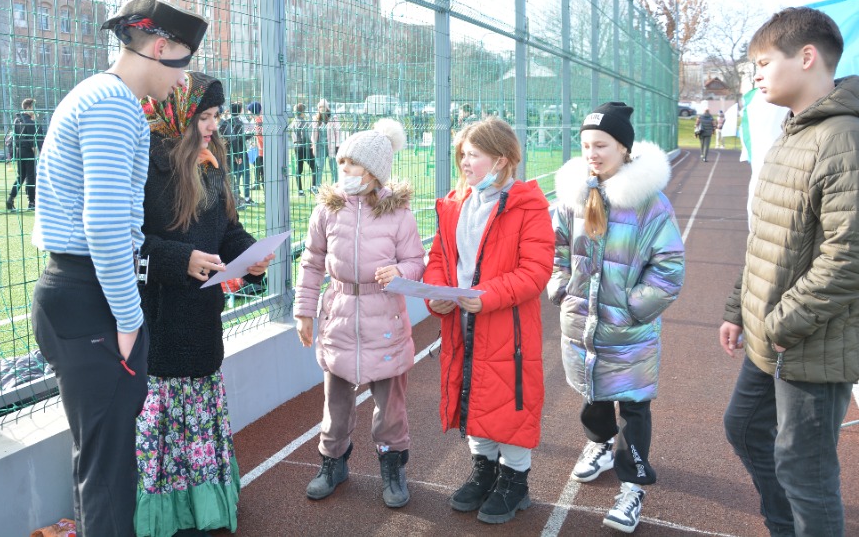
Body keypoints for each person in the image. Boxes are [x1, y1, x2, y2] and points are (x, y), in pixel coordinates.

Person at [30, 0, 208, 537]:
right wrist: (130, 320)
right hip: (91, 294)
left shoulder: (101, 96)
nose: (184, 82)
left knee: (102, 464)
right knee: (108, 475)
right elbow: (105, 225)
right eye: (183, 63)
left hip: (81, 290)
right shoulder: (113, 104)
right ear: (161, 48)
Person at [719, 7, 859, 537]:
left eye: (762, 63)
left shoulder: (843, 138)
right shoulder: (792, 132)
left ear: (806, 57)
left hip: (807, 341)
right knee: (746, 427)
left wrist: (782, 323)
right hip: (771, 331)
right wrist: (739, 308)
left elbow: (848, 256)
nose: (756, 75)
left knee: (807, 473)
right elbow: (766, 235)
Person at [136, 72, 273, 537]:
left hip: (201, 319)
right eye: (205, 116)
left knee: (199, 411)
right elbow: (127, 244)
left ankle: (203, 506)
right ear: (179, 114)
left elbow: (227, 230)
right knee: (165, 420)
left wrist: (251, 256)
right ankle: (166, 513)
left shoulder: (211, 163)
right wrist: (181, 260)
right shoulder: (146, 164)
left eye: (216, 115)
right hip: (159, 319)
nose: (213, 125)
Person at [547, 102, 685, 533]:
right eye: (586, 144)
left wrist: (632, 308)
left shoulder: (650, 204)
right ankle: (600, 445)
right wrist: (560, 285)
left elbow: (669, 267)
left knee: (634, 409)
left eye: (601, 145)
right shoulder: (572, 197)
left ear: (623, 148)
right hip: (581, 324)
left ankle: (633, 486)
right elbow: (556, 248)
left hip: (629, 330)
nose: (592, 153)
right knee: (592, 395)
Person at [422, 116, 555, 525]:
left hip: (506, 325)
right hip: (462, 322)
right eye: (462, 154)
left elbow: (536, 271)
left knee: (510, 401)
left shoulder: (528, 206)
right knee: (472, 394)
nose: (465, 162)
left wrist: (487, 297)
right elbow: (440, 258)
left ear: (501, 159)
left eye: (474, 155)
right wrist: (437, 295)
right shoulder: (454, 204)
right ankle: (484, 471)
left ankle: (515, 481)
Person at [294, 118, 425, 509]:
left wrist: (400, 272)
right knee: (335, 403)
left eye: (352, 163)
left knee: (390, 407)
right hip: (339, 317)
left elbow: (416, 261)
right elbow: (311, 261)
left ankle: (393, 465)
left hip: (385, 319)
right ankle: (332, 462)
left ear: (374, 171)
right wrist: (304, 312)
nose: (344, 169)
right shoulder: (327, 210)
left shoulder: (398, 215)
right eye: (342, 161)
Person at [6, 98, 42, 211]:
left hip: (19, 151)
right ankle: (32, 202)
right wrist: (37, 155)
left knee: (21, 176)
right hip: (28, 152)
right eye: (34, 107)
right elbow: (33, 143)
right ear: (29, 107)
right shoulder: (30, 123)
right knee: (31, 177)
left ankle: (11, 198)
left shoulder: (17, 120)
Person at [219, 102, 250, 208]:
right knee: (243, 174)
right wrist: (249, 135)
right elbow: (237, 138)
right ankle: (242, 198)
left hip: (226, 153)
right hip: (238, 152)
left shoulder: (226, 122)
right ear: (240, 111)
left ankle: (237, 197)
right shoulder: (238, 123)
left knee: (232, 176)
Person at [311, 99, 341, 186]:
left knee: (333, 167)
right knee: (319, 167)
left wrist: (337, 145)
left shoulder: (333, 118)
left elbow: (337, 132)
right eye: (320, 107)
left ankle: (336, 185)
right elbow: (314, 134)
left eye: (323, 106)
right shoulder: (316, 118)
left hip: (331, 145)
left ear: (327, 107)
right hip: (320, 146)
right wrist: (314, 145)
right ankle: (318, 186)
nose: (322, 108)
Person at [290, 102, 317, 195]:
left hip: (296, 146)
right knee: (314, 167)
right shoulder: (303, 122)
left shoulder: (293, 122)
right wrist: (310, 144)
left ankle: (300, 191)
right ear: (302, 112)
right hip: (305, 146)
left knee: (299, 169)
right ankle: (313, 187)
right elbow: (304, 136)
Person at [247, 101, 264, 190]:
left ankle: (259, 184)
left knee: (260, 168)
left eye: (249, 110)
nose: (248, 112)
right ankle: (258, 183)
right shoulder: (257, 119)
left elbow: (259, 134)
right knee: (258, 167)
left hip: (260, 149)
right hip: (258, 148)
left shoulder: (258, 120)